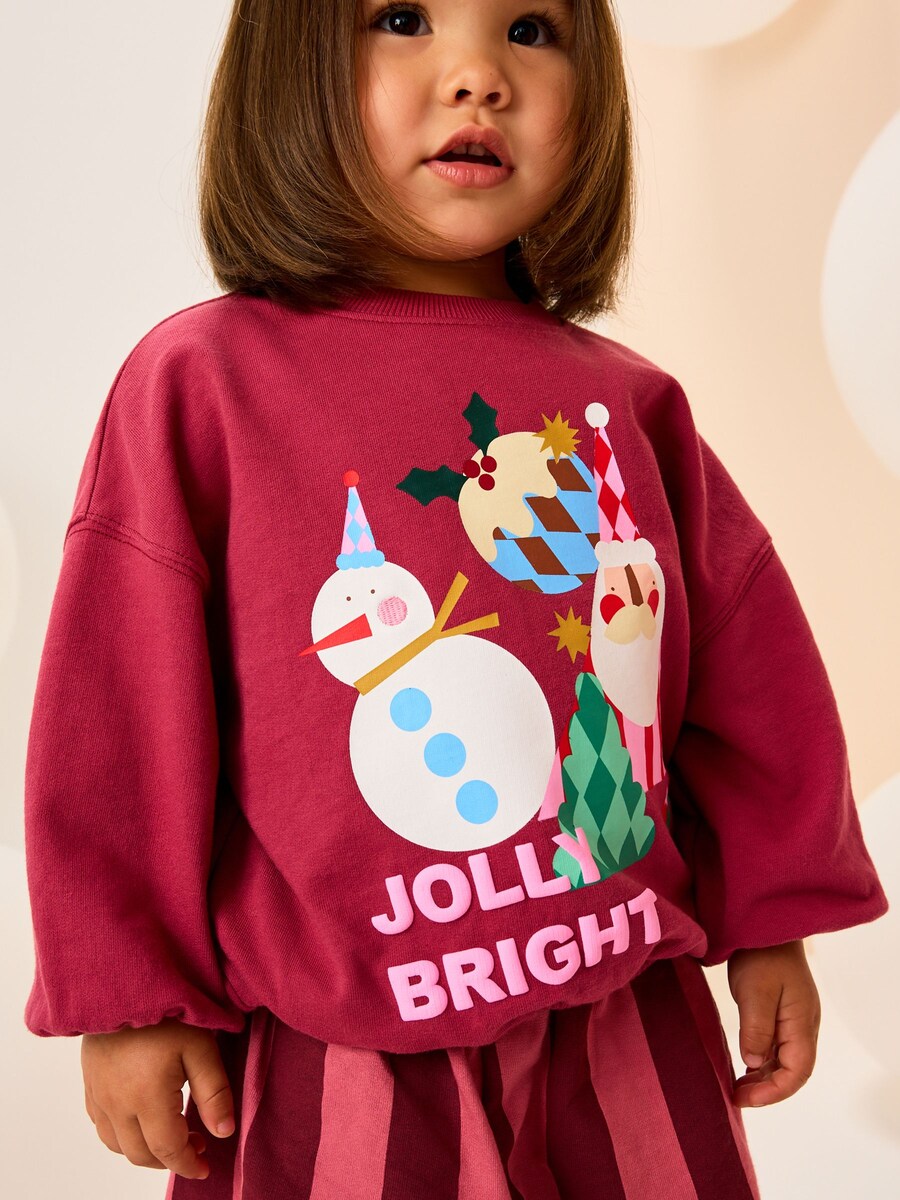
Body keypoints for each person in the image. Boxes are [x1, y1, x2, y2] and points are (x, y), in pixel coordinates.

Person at [22, 1, 888, 1197]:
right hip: (342, 1044)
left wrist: (770, 918)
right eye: (403, 19)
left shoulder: (626, 404)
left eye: (531, 28)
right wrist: (133, 994)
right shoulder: (205, 386)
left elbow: (748, 672)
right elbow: (120, 705)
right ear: (292, 69)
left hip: (630, 1019)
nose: (478, 73)